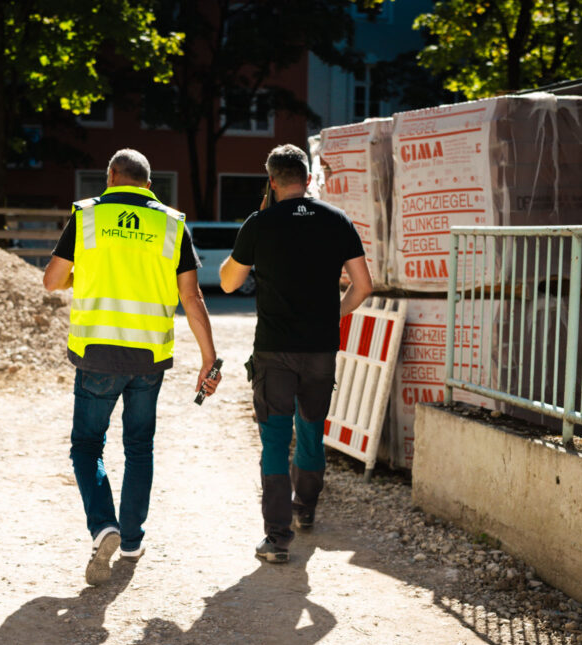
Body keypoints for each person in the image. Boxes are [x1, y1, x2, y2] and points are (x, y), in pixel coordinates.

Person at [43, 148, 221, 585]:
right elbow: (191, 296)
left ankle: (103, 525)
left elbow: (51, 280)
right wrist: (209, 359)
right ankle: (132, 539)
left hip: (97, 355)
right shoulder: (171, 223)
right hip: (148, 358)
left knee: (87, 445)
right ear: (148, 183)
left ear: (110, 177)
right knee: (139, 447)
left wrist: (79, 273)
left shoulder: (87, 217)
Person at [219, 143, 373, 564]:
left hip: (273, 352)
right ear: (307, 179)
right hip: (320, 350)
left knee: (273, 440)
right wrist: (330, 315)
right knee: (310, 430)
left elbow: (228, 284)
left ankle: (277, 538)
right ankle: (305, 510)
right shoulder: (337, 220)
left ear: (271, 181)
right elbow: (363, 286)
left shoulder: (259, 223)